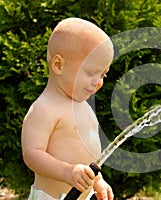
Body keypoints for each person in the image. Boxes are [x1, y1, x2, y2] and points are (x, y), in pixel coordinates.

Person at [21, 18, 114, 200]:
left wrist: (98, 181)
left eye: (102, 74)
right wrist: (67, 172)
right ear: (58, 65)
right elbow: (32, 154)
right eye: (90, 73)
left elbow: (89, 157)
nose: (98, 82)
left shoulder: (85, 109)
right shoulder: (44, 108)